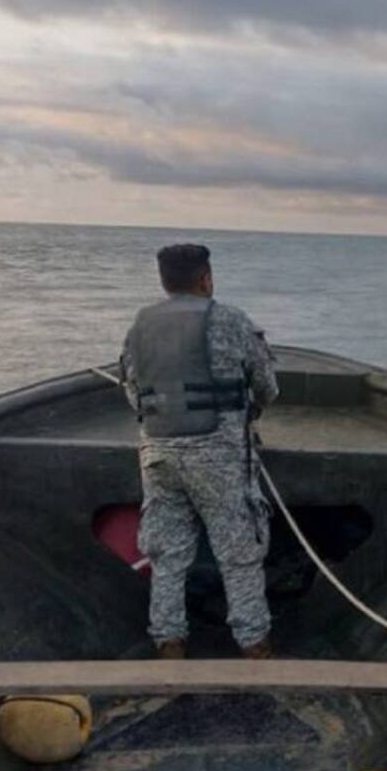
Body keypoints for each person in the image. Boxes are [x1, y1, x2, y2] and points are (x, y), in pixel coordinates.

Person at [119, 244, 279, 659]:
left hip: (158, 455)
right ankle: (254, 648)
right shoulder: (231, 320)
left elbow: (133, 391)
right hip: (219, 458)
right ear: (206, 278)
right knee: (239, 554)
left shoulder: (139, 326)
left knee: (167, 556)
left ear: (164, 281)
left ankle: (169, 645)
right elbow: (267, 386)